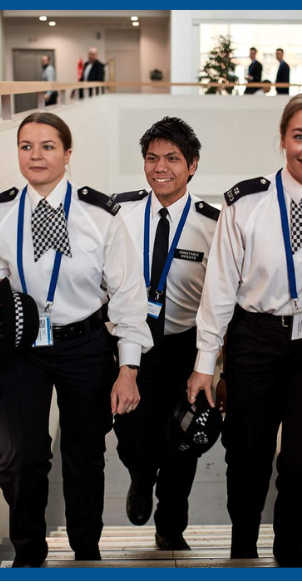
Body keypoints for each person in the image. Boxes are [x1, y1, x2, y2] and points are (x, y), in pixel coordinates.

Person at [187, 92, 302, 567]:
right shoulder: (245, 204)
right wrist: (205, 365)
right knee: (247, 455)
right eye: (300, 136)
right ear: (282, 140)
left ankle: (290, 548)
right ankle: (243, 543)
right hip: (256, 339)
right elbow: (219, 290)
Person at [0, 112, 153, 567]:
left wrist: (128, 368)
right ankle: (29, 557)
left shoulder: (100, 216)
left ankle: (86, 553)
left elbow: (129, 297)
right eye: (26, 146)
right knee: (19, 457)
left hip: (84, 346)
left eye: (48, 146)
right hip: (21, 349)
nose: (36, 156)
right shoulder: (0, 213)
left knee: (84, 456)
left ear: (68, 154)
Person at [110, 116, 220, 551]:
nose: (161, 167)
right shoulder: (119, 213)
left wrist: (214, 366)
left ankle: (171, 526)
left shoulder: (214, 224)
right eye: (152, 158)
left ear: (192, 165)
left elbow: (221, 301)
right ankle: (140, 476)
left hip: (183, 348)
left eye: (172, 158)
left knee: (182, 442)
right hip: (130, 344)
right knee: (132, 434)